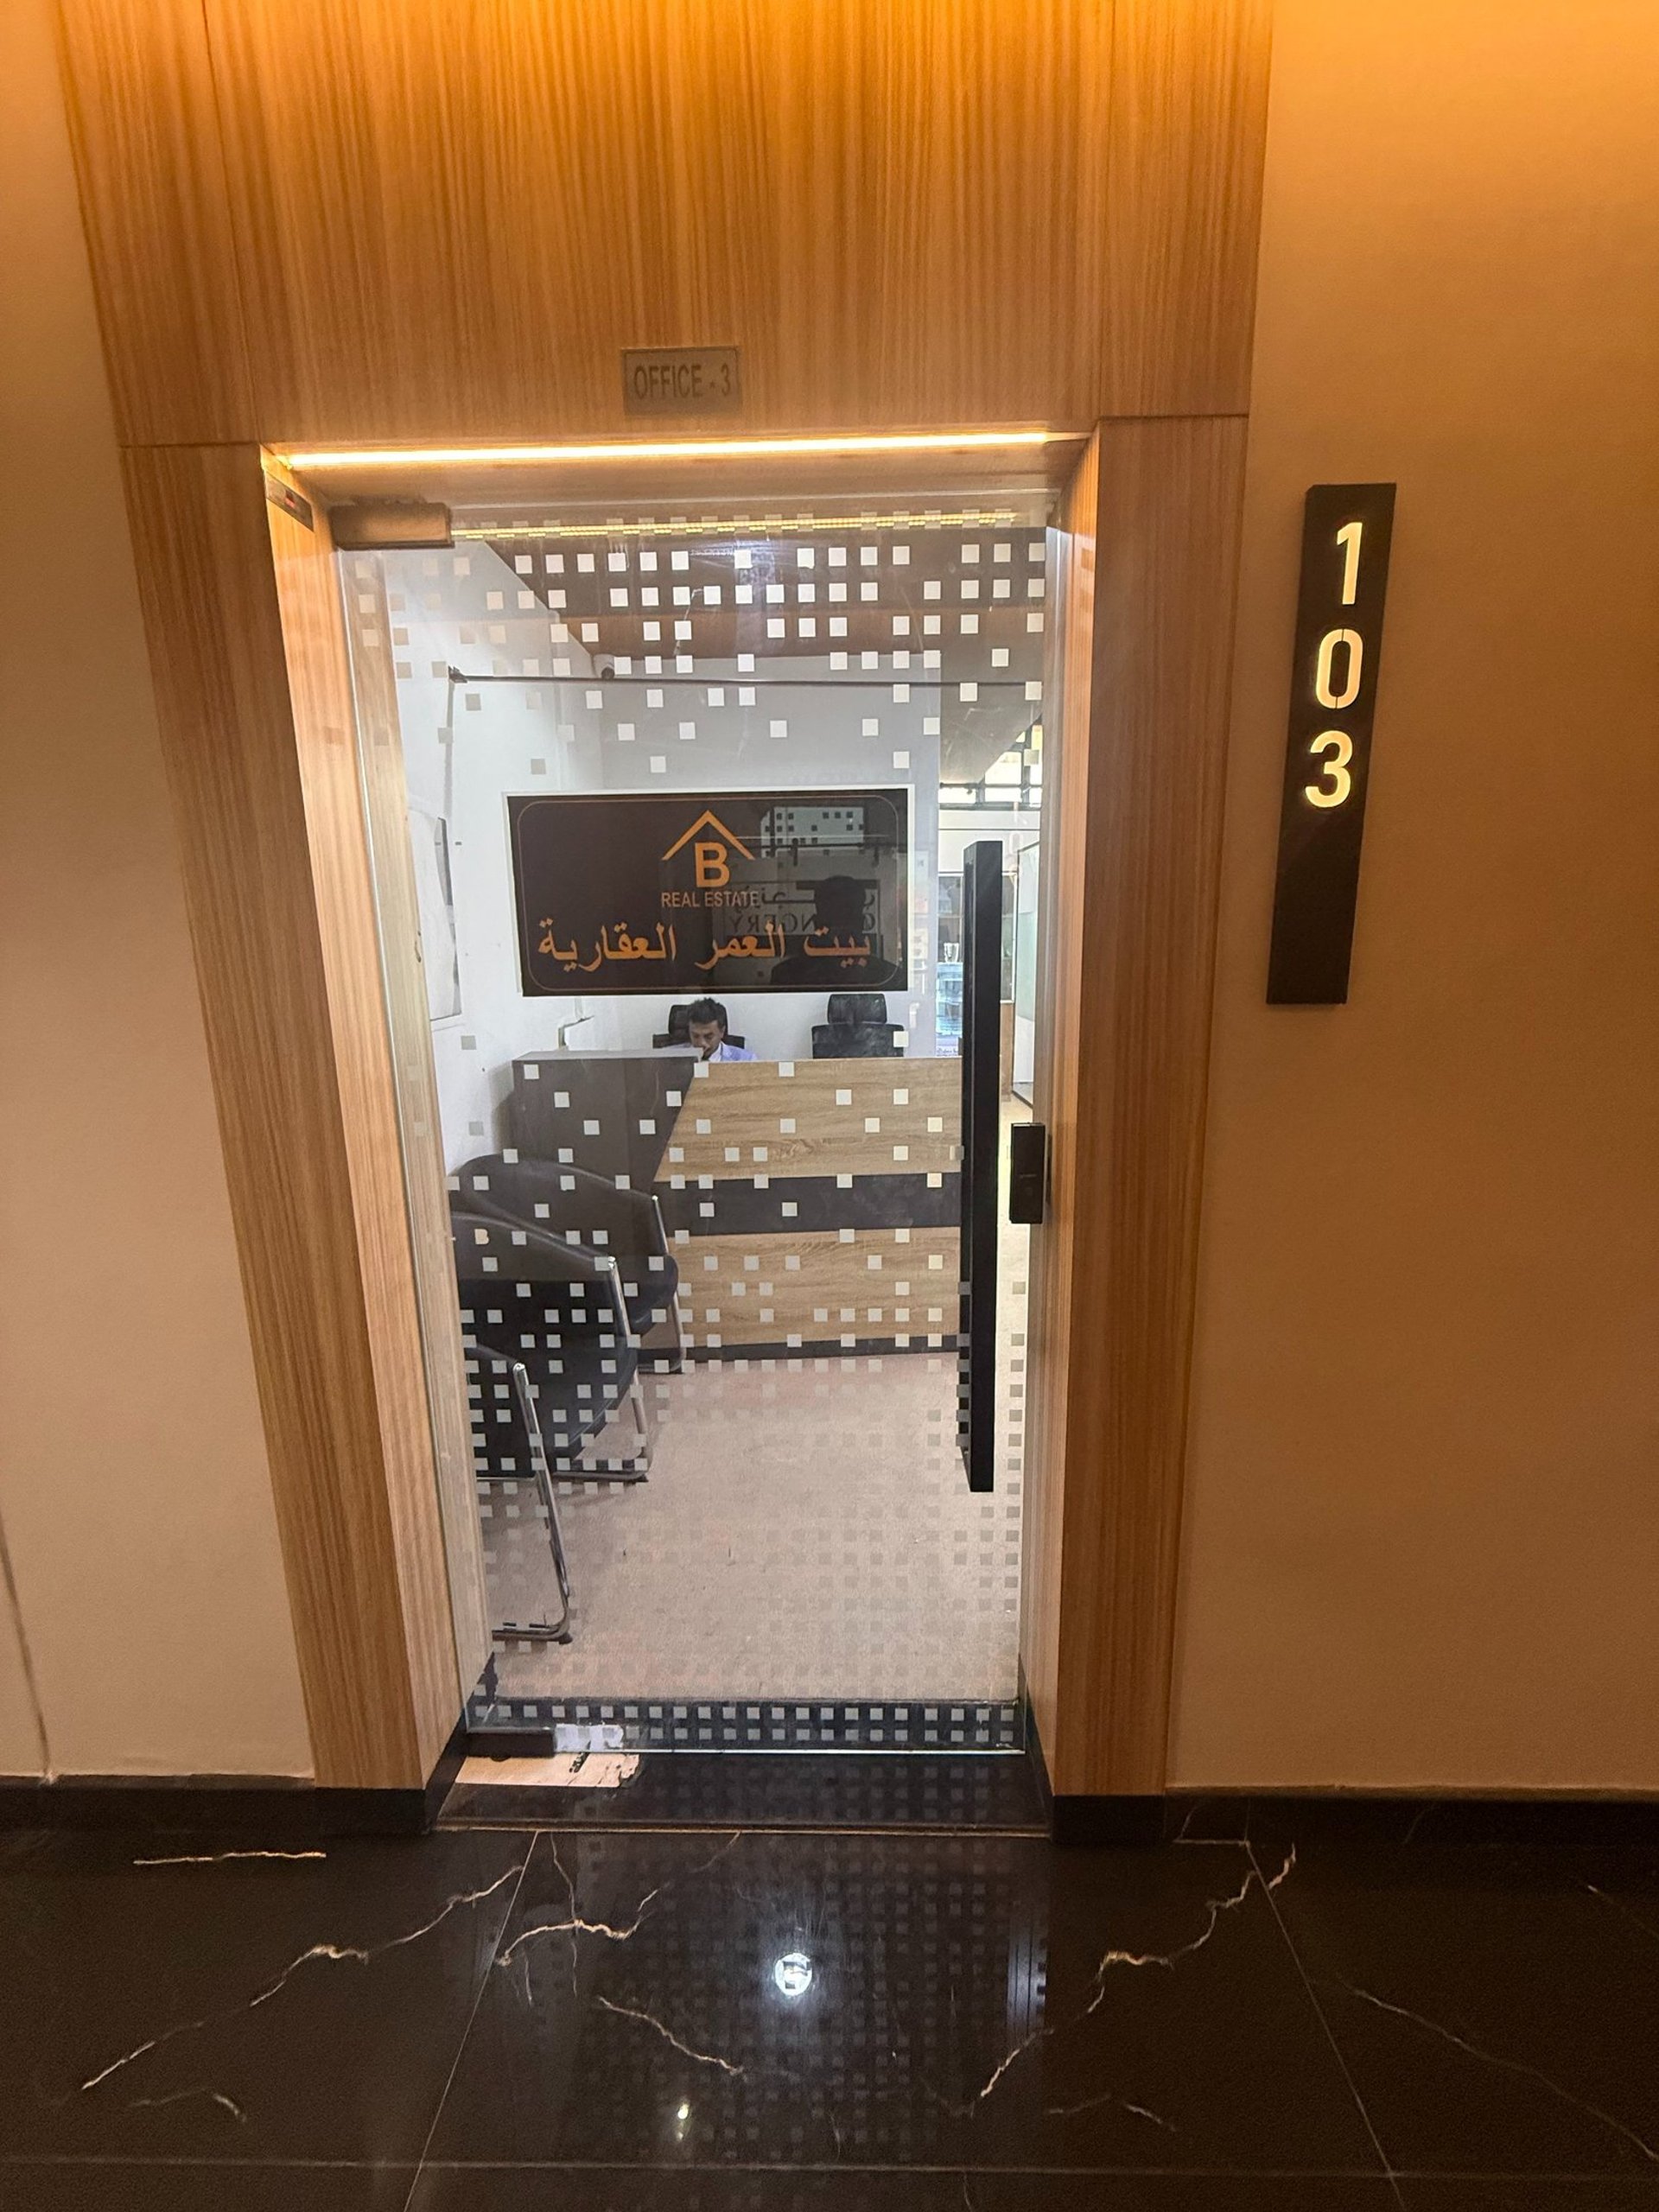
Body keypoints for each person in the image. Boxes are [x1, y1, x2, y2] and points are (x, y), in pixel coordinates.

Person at [768, 874, 903, 989]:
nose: (841, 930)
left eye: (847, 918)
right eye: (834, 920)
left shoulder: (787, 974)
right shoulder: (888, 975)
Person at [683, 998, 755, 1062]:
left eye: (708, 1037)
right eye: (695, 1036)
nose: (701, 1043)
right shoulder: (673, 1059)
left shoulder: (746, 1060)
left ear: (722, 1032)